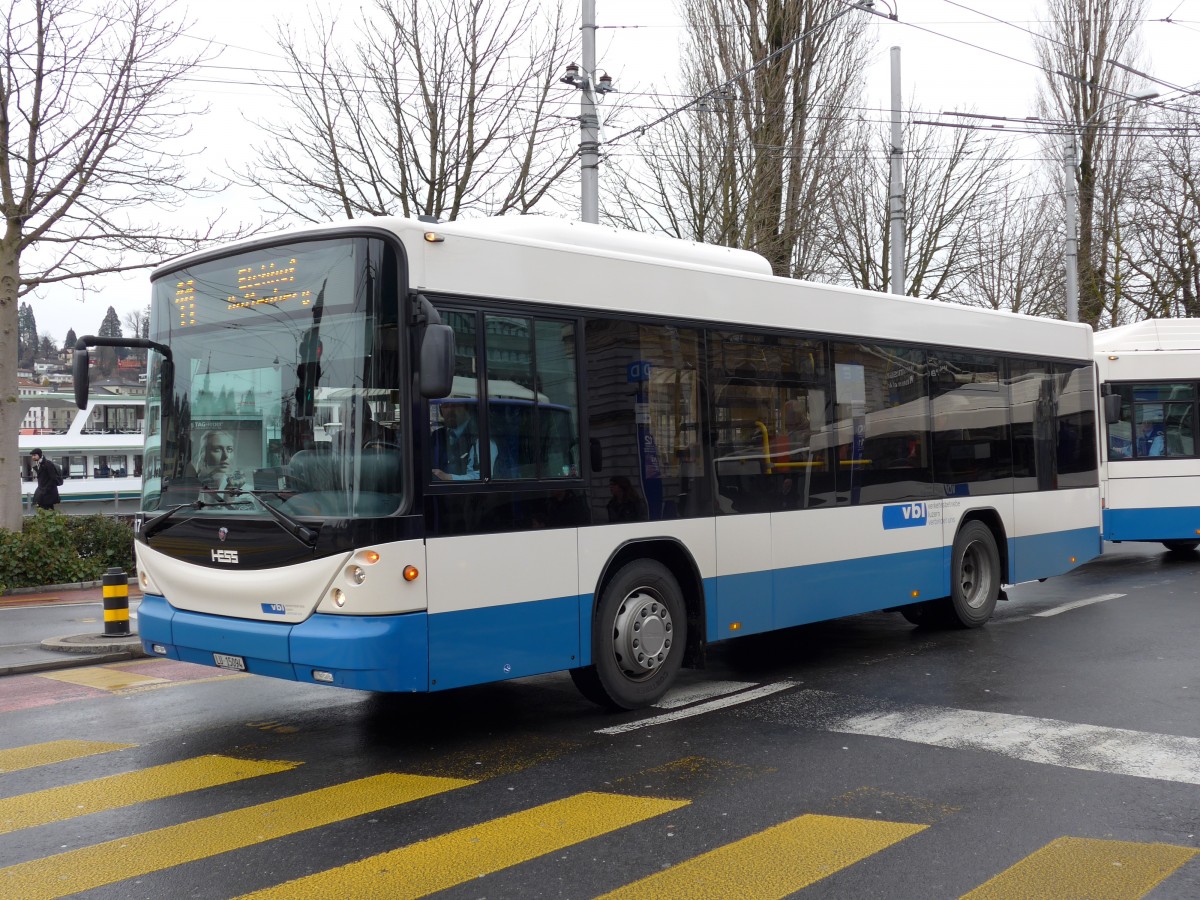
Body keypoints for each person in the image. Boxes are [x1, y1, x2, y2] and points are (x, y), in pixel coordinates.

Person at [431, 402, 497, 481]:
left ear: (467, 408)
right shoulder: (437, 436)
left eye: (455, 405)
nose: (450, 410)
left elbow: (483, 478)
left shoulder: (481, 437)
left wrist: (448, 478)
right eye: (445, 406)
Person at [194, 429, 246, 495]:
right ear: (204, 455)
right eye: (217, 449)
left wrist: (231, 492)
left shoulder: (246, 491)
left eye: (229, 449)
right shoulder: (191, 488)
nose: (226, 456)